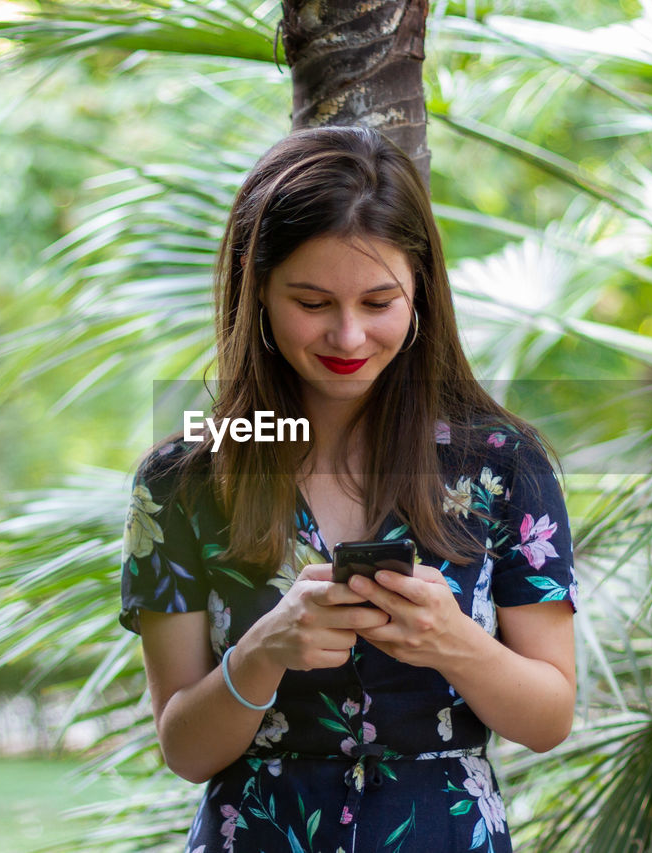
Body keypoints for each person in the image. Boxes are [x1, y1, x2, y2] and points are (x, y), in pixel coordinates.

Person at [118, 126, 578, 853]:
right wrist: (266, 647)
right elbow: (185, 748)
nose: (349, 335)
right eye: (311, 301)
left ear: (420, 290)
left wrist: (455, 641)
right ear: (257, 287)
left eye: (378, 301)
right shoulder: (183, 479)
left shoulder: (501, 464)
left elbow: (550, 717)